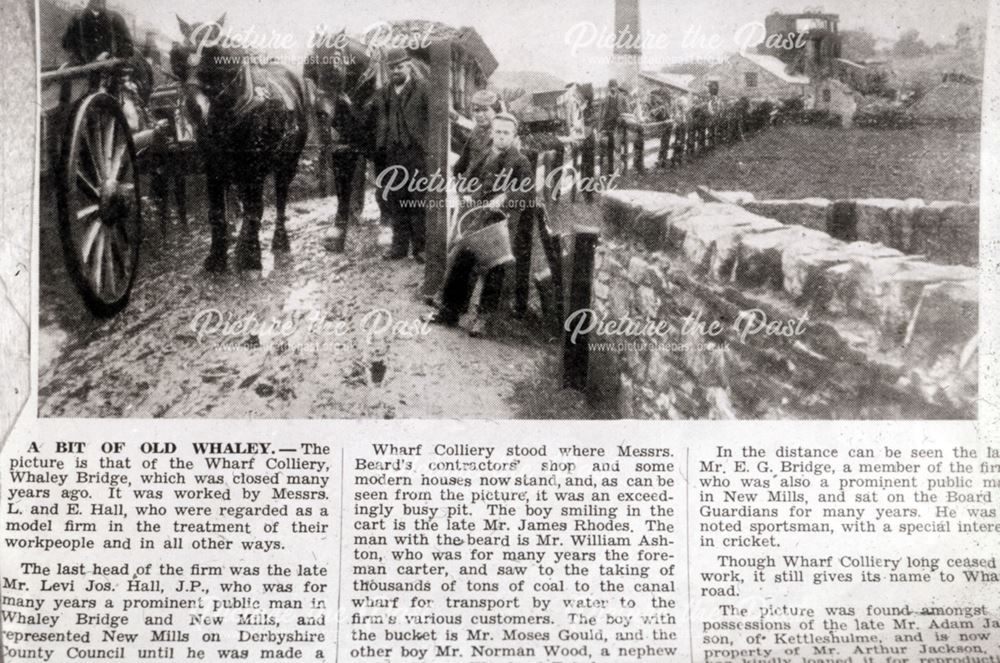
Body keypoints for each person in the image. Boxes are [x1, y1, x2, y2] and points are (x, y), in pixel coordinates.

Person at [429, 113, 535, 337]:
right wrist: (466, 193)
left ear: (514, 135)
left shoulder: (519, 161)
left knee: (495, 266)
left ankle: (485, 318)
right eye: (498, 132)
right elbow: (467, 176)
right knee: (461, 257)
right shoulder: (485, 154)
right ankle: (450, 311)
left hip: (500, 224)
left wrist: (506, 196)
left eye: (506, 133)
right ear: (492, 133)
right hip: (476, 217)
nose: (501, 137)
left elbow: (528, 192)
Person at [372, 47, 429, 262]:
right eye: (391, 67)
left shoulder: (423, 88)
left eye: (399, 66)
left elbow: (434, 119)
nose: (395, 70)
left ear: (408, 66)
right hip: (393, 154)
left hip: (416, 153)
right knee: (396, 200)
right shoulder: (384, 92)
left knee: (417, 201)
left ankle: (421, 248)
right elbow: (378, 122)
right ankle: (399, 248)